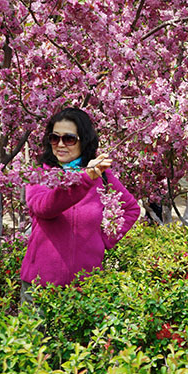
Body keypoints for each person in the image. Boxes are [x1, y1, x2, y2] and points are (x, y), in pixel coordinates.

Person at [20, 107, 141, 303]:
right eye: (54, 138)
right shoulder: (39, 175)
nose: (60, 144)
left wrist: (104, 240)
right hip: (40, 286)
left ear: (83, 141)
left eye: (68, 139)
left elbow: (131, 209)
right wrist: (85, 179)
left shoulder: (100, 175)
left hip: (86, 286)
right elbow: (44, 208)